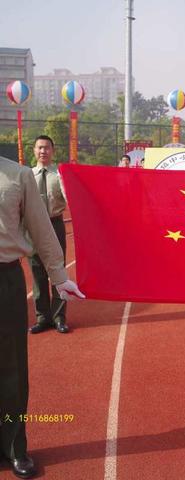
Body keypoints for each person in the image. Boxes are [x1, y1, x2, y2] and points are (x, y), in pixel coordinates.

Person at [0, 155, 84, 478]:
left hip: (5, 280)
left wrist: (59, 277)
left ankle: (14, 448)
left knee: (12, 370)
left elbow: (41, 226)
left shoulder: (17, 175)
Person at [28, 136, 70, 334]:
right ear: (34, 151)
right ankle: (42, 317)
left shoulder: (60, 174)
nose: (43, 151)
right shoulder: (26, 175)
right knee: (37, 273)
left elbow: (70, 198)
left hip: (55, 224)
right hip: (33, 226)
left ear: (53, 151)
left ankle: (59, 317)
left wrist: (64, 181)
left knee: (58, 271)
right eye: (39, 148)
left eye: (46, 148)